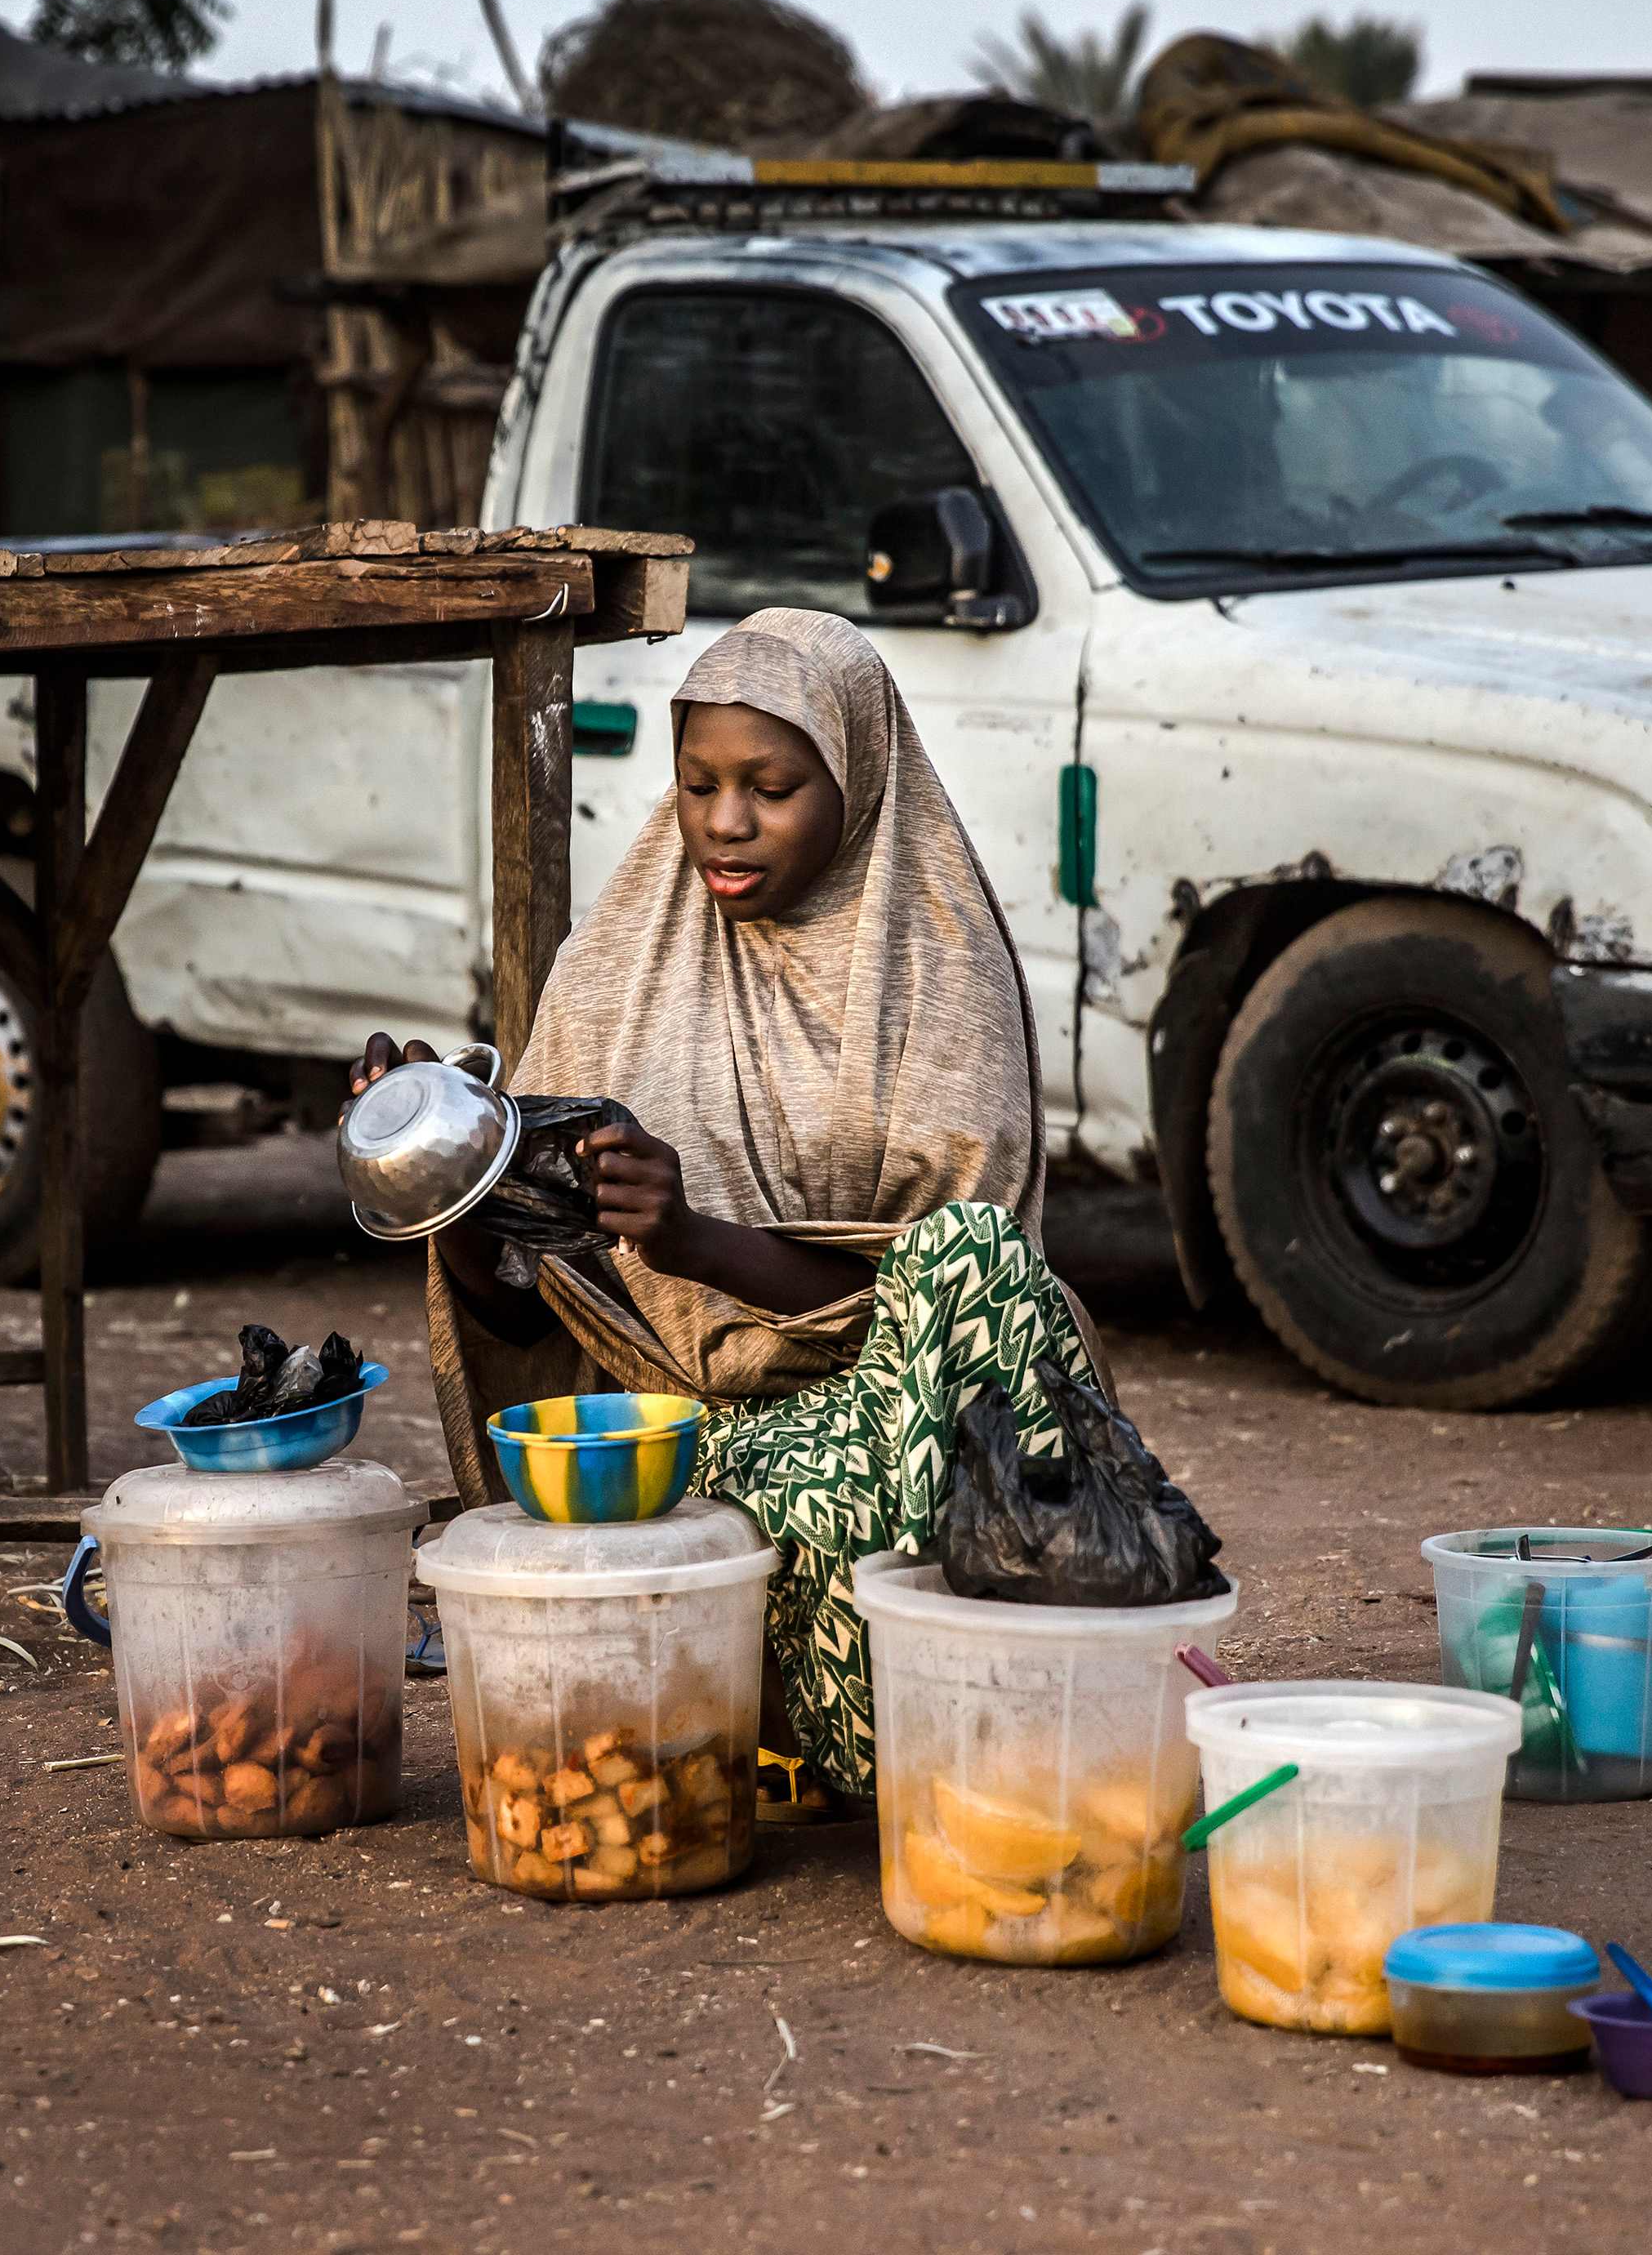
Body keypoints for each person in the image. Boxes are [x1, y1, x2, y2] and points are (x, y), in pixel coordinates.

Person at [358, 607, 1104, 1812]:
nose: (726, 821)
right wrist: (449, 1177)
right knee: (705, 1492)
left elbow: (958, 1311)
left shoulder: (938, 970)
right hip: (688, 1430)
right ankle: (869, 1745)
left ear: (857, 781)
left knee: (954, 1283)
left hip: (914, 1424)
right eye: (699, 782)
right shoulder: (618, 966)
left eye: (773, 786)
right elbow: (538, 1312)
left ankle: (958, 1744)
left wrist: (691, 1238)